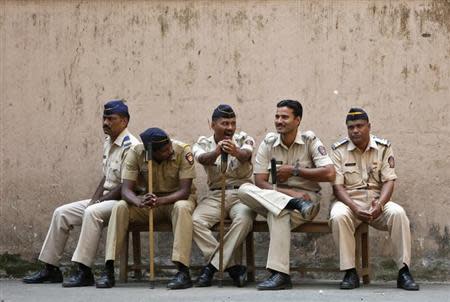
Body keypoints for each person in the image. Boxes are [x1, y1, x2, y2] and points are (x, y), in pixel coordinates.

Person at [23, 99, 139, 287]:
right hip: (105, 198)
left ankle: (84, 271)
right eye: (104, 118)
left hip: (121, 201)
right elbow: (106, 176)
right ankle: (50, 268)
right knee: (62, 213)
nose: (105, 123)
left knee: (91, 212)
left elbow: (126, 186)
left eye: (111, 118)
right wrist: (94, 198)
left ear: (124, 121)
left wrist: (98, 202)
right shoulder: (109, 141)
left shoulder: (131, 146)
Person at [238, 99, 335, 290]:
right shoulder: (269, 142)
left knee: (278, 214)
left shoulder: (310, 140)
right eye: (277, 116)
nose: (279, 121)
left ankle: (280, 275)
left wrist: (294, 171)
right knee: (244, 189)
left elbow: (330, 173)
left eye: (284, 117)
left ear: (297, 120)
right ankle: (281, 275)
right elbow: (260, 182)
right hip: (281, 197)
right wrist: (290, 194)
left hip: (308, 201)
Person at [329, 108, 419, 291]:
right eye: (351, 127)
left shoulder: (383, 147)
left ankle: (404, 271)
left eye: (359, 126)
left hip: (377, 201)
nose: (355, 131)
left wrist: (380, 204)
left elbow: (389, 181)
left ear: (369, 126)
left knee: (398, 214)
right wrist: (354, 207)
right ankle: (350, 272)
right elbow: (337, 188)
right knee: (338, 216)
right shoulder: (338, 150)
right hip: (349, 201)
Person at [96, 128, 196, 289]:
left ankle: (183, 271)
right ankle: (108, 269)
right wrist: (138, 201)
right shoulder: (136, 153)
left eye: (169, 145)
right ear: (152, 153)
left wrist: (161, 200)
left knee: (182, 208)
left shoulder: (182, 151)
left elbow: (185, 192)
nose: (169, 150)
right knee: (120, 207)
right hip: (148, 202)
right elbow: (126, 189)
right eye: (164, 151)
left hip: (175, 200)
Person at [192, 104, 256, 287]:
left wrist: (235, 151)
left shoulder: (244, 138)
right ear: (212, 125)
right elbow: (202, 159)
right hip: (215, 194)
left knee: (243, 220)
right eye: (224, 123)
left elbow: (246, 155)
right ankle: (233, 267)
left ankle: (211, 268)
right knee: (195, 221)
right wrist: (216, 152)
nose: (230, 128)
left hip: (242, 193)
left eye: (233, 123)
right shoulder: (203, 142)